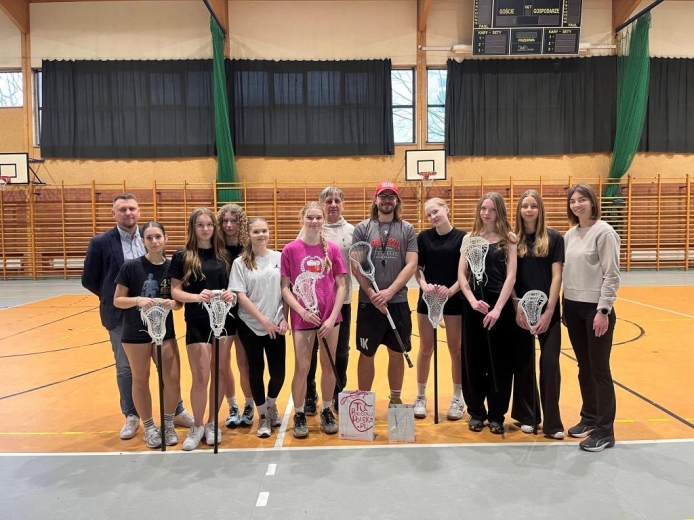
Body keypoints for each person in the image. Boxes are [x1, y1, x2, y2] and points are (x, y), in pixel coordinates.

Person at [81, 193, 192, 440]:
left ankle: (174, 413)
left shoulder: (165, 256)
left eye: (132, 208)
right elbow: (90, 279)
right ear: (114, 213)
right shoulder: (101, 243)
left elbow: (176, 294)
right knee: (127, 370)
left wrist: (172, 303)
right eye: (122, 209)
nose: (128, 213)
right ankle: (134, 416)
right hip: (124, 320)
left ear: (139, 212)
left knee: (169, 373)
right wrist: (125, 300)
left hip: (162, 324)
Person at [170, 207, 235, 451]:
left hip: (225, 320)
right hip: (197, 320)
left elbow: (235, 286)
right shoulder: (182, 256)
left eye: (209, 224)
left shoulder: (225, 255)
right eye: (200, 225)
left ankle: (212, 423)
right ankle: (197, 425)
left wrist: (230, 294)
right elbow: (175, 291)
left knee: (219, 372)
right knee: (200, 375)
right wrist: (197, 297)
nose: (205, 229)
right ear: (193, 228)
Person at [113, 221, 182, 448]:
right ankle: (150, 427)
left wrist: (174, 304)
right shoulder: (131, 267)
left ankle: (168, 423)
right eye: (149, 237)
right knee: (141, 379)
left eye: (158, 237)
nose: (154, 241)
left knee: (172, 378)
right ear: (143, 241)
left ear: (166, 238)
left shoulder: (173, 267)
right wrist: (138, 300)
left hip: (165, 332)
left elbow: (178, 301)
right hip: (136, 333)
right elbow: (118, 300)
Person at [281, 202, 347, 438]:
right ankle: (299, 413)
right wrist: (301, 311)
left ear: (323, 220)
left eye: (318, 217)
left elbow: (342, 286)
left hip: (330, 318)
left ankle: (327, 410)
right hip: (303, 319)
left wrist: (331, 318)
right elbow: (285, 288)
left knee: (329, 365)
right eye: (310, 217)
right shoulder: (290, 249)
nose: (314, 221)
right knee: (302, 367)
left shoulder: (332, 249)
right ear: (302, 219)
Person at [563, 183, 621, 452]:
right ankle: (589, 417)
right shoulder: (570, 234)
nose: (577, 205)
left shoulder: (604, 232)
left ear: (592, 202)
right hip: (573, 307)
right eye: (573, 201)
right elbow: (566, 272)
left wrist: (603, 309)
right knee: (584, 367)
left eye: (582, 199)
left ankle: (605, 431)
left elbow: (612, 274)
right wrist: (565, 306)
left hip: (595, 309)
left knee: (599, 369)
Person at [352, 181, 418, 405]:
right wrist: (372, 294)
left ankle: (395, 399)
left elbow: (411, 264)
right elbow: (356, 264)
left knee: (396, 352)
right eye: (383, 196)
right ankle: (364, 402)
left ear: (397, 201)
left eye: (391, 196)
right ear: (375, 199)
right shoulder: (363, 228)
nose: (387, 200)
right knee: (366, 353)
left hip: (397, 301)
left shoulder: (407, 229)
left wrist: (389, 292)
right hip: (368, 303)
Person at [457, 192, 517, 434]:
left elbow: (511, 276)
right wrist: (472, 301)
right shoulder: (469, 238)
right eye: (483, 208)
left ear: (499, 211)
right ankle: (476, 412)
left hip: (498, 308)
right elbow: (462, 275)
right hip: (474, 307)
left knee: (499, 362)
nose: (487, 213)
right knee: (473, 360)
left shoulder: (509, 239)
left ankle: (496, 415)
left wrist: (499, 309)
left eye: (492, 209)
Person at [510, 190, 565, 439]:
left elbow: (557, 276)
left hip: (548, 312)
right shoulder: (513, 240)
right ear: (519, 210)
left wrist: (550, 311)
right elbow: (510, 278)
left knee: (550, 363)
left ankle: (553, 423)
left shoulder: (554, 238)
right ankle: (529, 416)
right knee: (524, 364)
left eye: (534, 206)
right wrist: (517, 307)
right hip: (521, 311)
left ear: (540, 209)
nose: (529, 210)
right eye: (525, 206)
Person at [229, 218, 288, 438]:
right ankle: (262, 415)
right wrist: (263, 321)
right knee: (256, 370)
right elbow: (240, 295)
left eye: (264, 230)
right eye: (256, 231)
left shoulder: (279, 258)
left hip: (276, 324)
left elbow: (286, 289)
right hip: (251, 324)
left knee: (278, 373)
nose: (261, 235)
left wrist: (285, 318)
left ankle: (271, 405)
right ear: (248, 235)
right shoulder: (240, 263)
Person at [414, 198, 466, 421]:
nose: (433, 217)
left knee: (456, 349)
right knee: (426, 348)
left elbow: (466, 272)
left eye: (435, 211)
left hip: (454, 299)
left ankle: (458, 398)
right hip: (428, 299)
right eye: (429, 215)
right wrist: (424, 285)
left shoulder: (463, 238)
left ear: (447, 209)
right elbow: (418, 268)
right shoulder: (423, 238)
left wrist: (451, 291)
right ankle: (420, 396)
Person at [303, 187, 354, 415]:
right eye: (328, 201)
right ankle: (310, 393)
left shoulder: (352, 231)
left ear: (342, 204)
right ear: (321, 204)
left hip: (342, 302)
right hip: (313, 304)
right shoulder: (310, 229)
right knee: (312, 351)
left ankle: (337, 392)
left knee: (341, 350)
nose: (333, 204)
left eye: (337, 201)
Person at [217, 204, 255, 429]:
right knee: (222, 364)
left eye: (234, 221)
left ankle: (249, 404)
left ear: (241, 223)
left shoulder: (249, 249)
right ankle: (232, 405)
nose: (229, 225)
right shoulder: (216, 248)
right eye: (225, 221)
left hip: (244, 312)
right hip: (222, 312)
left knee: (244, 363)